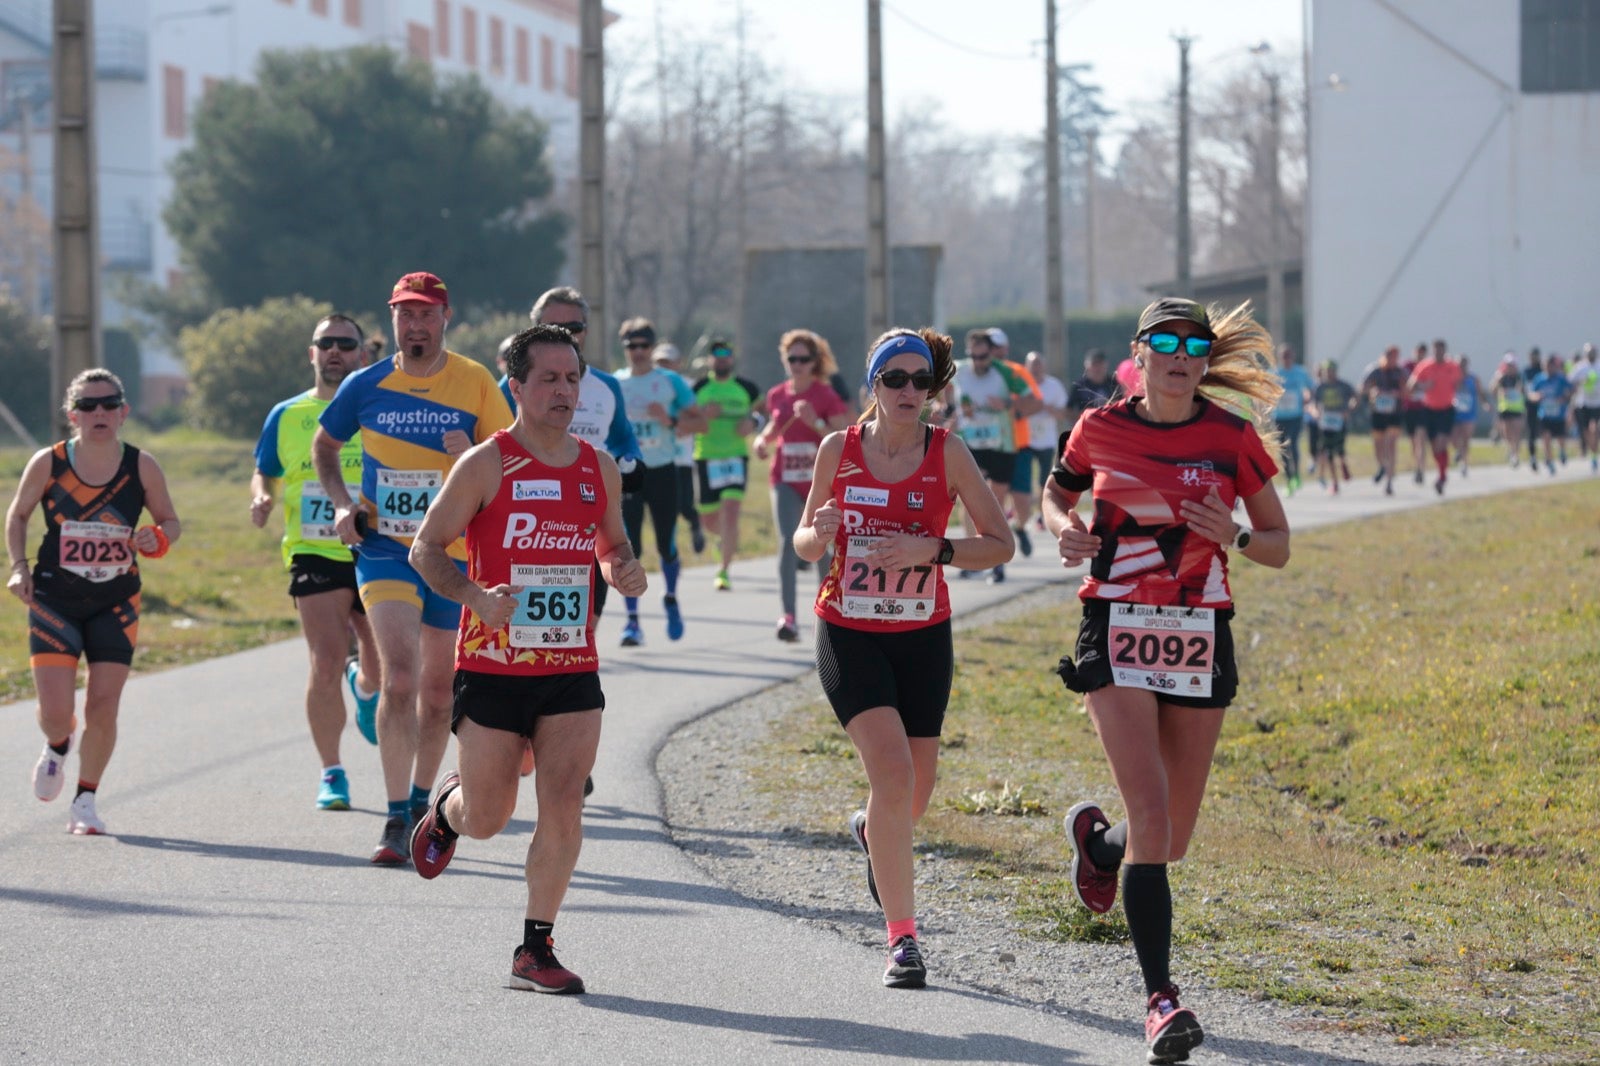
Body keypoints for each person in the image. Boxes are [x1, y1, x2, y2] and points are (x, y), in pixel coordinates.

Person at [1046, 298, 1289, 1065]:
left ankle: (1100, 845)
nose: (1183, 356)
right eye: (1167, 343)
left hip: (1197, 629)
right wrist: (1066, 530)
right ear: (1139, 353)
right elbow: (1057, 494)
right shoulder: (1099, 427)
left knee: (1168, 839)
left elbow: (1279, 544)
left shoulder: (1230, 437)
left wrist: (1237, 536)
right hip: (1114, 627)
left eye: (1195, 345)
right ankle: (1160, 1001)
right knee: (1151, 811)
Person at [407, 324, 646, 994]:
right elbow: (425, 549)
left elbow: (612, 543)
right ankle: (449, 807)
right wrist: (475, 597)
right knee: (489, 818)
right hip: (492, 666)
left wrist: (624, 569)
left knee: (564, 802)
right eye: (549, 378)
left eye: (573, 378)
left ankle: (534, 948)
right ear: (516, 386)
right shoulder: (487, 464)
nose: (564, 390)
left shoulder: (597, 466)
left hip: (571, 665)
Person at [794, 327, 1013, 990]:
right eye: (896, 380)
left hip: (922, 634)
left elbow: (999, 543)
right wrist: (819, 534)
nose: (910, 392)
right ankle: (903, 940)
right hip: (849, 632)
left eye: (923, 381)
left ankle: (871, 829)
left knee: (912, 793)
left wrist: (935, 551)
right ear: (874, 385)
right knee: (892, 777)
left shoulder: (946, 453)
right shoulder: (840, 449)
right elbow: (804, 541)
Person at [312, 270, 513, 865]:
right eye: (405, 314)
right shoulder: (366, 383)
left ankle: (426, 803)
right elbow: (325, 447)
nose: (416, 324)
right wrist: (345, 503)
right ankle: (395, 817)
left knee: (435, 690)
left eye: (426, 314)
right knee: (399, 677)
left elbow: (509, 458)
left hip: (451, 554)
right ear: (392, 319)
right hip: (386, 548)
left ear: (445, 317)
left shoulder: (474, 381)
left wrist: (470, 455)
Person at [6, 369, 182, 835]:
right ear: (73, 415)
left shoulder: (141, 466)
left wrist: (156, 538)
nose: (99, 412)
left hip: (116, 601)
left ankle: (85, 800)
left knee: (104, 705)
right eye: (88, 406)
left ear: (123, 411)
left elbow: (170, 520)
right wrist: (18, 567)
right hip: (54, 600)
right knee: (55, 714)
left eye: (109, 404)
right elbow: (18, 514)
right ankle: (58, 744)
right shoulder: (50, 462)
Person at [250, 313, 381, 809]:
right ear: (311, 353)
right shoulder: (286, 414)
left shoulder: (377, 409)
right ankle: (332, 772)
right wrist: (261, 498)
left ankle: (366, 690)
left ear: (361, 355)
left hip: (374, 545)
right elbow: (264, 470)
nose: (334, 352)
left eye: (345, 344)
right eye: (325, 343)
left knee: (384, 664)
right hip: (312, 548)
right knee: (324, 660)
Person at [752, 329, 853, 642]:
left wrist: (815, 423)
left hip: (817, 482)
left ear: (815, 362)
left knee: (819, 544)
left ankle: (826, 613)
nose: (797, 364)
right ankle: (789, 616)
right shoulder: (777, 394)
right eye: (791, 358)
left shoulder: (825, 395)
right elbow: (774, 425)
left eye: (803, 359)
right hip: (783, 477)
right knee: (786, 542)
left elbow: (843, 437)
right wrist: (761, 440)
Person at [614, 318, 702, 644]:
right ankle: (632, 621)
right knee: (628, 547)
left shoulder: (670, 381)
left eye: (644, 346)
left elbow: (700, 423)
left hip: (664, 470)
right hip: (628, 472)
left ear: (652, 348)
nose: (638, 352)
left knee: (666, 543)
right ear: (624, 349)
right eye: (631, 346)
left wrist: (670, 419)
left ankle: (671, 597)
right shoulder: (616, 383)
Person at [947, 329, 1036, 584]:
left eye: (983, 357)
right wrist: (950, 408)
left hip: (1002, 445)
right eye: (973, 357)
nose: (978, 362)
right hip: (970, 444)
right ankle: (970, 559)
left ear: (991, 353)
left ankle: (996, 562)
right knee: (968, 501)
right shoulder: (959, 369)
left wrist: (1008, 405)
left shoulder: (1005, 373)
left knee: (994, 502)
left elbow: (1034, 403)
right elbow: (942, 389)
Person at [692, 335, 764, 592]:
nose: (722, 360)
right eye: (716, 355)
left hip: (735, 456)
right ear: (709, 360)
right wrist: (701, 415)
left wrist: (753, 423)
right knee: (709, 519)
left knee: (731, 511)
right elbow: (684, 419)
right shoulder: (698, 388)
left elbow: (764, 412)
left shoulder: (747, 387)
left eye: (726, 355)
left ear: (733, 358)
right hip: (706, 456)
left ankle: (723, 571)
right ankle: (722, 540)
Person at [988, 330, 1045, 556]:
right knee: (993, 500)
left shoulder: (1017, 372)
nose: (993, 352)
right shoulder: (974, 377)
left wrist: (1009, 406)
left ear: (1005, 349)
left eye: (997, 347)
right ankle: (994, 545)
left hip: (1019, 445)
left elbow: (1037, 404)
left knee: (1023, 504)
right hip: (990, 447)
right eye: (989, 347)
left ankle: (1019, 528)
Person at [649, 343, 708, 555]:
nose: (663, 366)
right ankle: (668, 553)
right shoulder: (647, 384)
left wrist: (676, 422)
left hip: (682, 456)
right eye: (658, 362)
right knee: (666, 511)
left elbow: (699, 419)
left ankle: (694, 524)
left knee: (684, 504)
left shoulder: (688, 385)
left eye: (667, 362)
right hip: (655, 457)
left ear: (678, 363)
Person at [1405, 339, 1463, 495]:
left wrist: (1455, 389)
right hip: (1429, 409)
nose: (1438, 354)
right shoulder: (1425, 366)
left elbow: (1458, 383)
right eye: (1436, 351)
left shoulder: (1452, 367)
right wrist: (1423, 386)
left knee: (1442, 443)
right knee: (1431, 444)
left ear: (1445, 351)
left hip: (1446, 409)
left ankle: (1442, 477)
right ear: (1432, 351)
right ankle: (1431, 470)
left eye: (1441, 351)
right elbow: (1411, 386)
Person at [1022, 350, 1070, 527]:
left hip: (1046, 440)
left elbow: (1063, 413)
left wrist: (1049, 409)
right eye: (1032, 365)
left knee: (1044, 479)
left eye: (1038, 364)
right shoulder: (1021, 385)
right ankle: (1020, 511)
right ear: (1026, 367)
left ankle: (1041, 514)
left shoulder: (1054, 386)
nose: (1035, 368)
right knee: (1023, 480)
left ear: (1044, 366)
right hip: (1025, 439)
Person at [1361, 345, 1407, 496]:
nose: (1391, 359)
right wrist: (1374, 392)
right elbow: (1363, 387)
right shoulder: (1375, 371)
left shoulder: (1400, 372)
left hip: (1394, 413)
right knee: (1378, 445)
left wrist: (1397, 393)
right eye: (1388, 356)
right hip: (1378, 413)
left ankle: (1389, 481)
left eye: (1394, 356)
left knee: (1391, 444)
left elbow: (1408, 390)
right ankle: (1382, 466)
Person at [1308, 361, 1358, 495]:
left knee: (1340, 450)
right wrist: (1315, 412)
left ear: (1335, 371)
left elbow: (1355, 397)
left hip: (1340, 422)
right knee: (1329, 452)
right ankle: (1335, 482)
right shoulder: (1320, 387)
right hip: (1326, 423)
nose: (1329, 374)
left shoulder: (1343, 385)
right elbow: (1312, 403)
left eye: (1331, 371)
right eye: (1326, 371)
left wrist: (1348, 410)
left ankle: (1343, 465)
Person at [1271, 345, 1314, 493]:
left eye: (1288, 356)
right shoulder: (1275, 373)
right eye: (1284, 356)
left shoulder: (1300, 372)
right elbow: (1265, 390)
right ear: (1280, 358)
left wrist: (1308, 398)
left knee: (1294, 445)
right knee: (1282, 448)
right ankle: (1289, 478)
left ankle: (1296, 475)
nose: (1286, 359)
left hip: (1296, 415)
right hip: (1279, 416)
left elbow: (1311, 388)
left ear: (1293, 357)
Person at [1527, 351, 1572, 475]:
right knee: (1545, 438)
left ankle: (1562, 451)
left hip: (1558, 414)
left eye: (1550, 366)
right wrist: (1536, 397)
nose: (1548, 368)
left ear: (1554, 366)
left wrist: (1564, 398)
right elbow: (1530, 394)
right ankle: (1550, 462)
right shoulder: (1539, 379)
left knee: (1560, 438)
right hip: (1544, 414)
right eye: (1545, 366)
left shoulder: (1561, 378)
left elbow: (1571, 390)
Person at [1566, 343, 1600, 473]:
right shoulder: (1580, 367)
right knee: (1586, 431)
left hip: (1597, 403)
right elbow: (1570, 381)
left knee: (1594, 428)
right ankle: (1592, 452)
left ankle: (1594, 454)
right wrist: (1582, 381)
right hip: (1583, 403)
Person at [1450, 355, 1485, 476]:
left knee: (1466, 438)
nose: (1461, 367)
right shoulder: (1452, 378)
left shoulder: (1473, 379)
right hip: (1454, 413)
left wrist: (1485, 404)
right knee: (1453, 438)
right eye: (1459, 365)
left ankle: (1464, 464)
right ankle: (1458, 451)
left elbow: (1481, 393)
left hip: (1469, 414)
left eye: (1464, 365)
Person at [1067, 349, 1120, 425]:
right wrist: (1084, 416)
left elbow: (1121, 405)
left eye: (1100, 364)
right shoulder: (1079, 386)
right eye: (1094, 364)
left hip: (1109, 427)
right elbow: (1069, 411)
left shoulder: (1114, 383)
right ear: (1087, 366)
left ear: (1106, 365)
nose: (1097, 368)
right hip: (1087, 427)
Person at [1493, 353, 1527, 468]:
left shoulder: (1520, 377)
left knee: (1517, 433)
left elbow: (1524, 391)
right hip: (1505, 408)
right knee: (1507, 433)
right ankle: (1510, 450)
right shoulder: (1501, 377)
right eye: (1508, 365)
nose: (1510, 367)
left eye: (1512, 364)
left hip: (1517, 408)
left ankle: (1515, 455)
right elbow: (1493, 390)